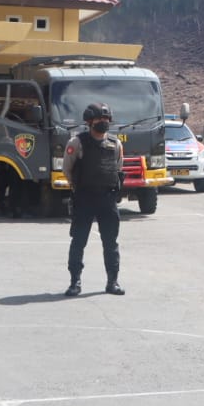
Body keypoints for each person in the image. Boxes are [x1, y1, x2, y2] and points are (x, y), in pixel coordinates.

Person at [63, 102, 125, 296]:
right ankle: (75, 282)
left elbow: (118, 168)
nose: (104, 122)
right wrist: (79, 187)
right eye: (100, 119)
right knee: (79, 241)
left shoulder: (115, 144)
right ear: (90, 121)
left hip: (107, 199)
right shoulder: (77, 143)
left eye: (106, 119)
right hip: (84, 198)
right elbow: (67, 169)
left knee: (111, 242)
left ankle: (112, 282)